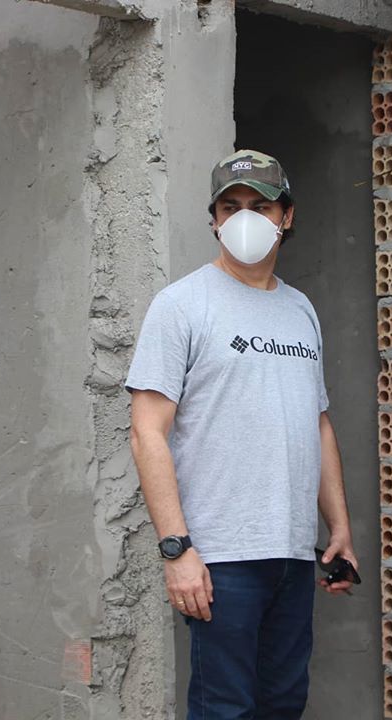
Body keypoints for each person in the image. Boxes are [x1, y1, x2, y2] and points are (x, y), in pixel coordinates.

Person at [126, 149, 358, 720]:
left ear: (287, 216)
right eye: (231, 207)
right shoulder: (181, 305)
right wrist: (177, 549)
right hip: (220, 557)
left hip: (291, 552)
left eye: (261, 205)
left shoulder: (301, 310)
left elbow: (316, 423)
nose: (245, 218)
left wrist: (339, 529)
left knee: (284, 704)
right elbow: (147, 432)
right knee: (224, 709)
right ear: (214, 219)